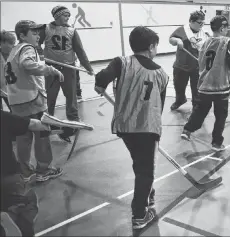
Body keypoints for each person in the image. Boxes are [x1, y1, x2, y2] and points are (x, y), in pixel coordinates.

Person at [94, 26, 169, 230]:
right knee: (145, 170)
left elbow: (101, 78)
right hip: (147, 127)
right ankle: (139, 214)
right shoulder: (162, 74)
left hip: (124, 126)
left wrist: (99, 86)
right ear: (152, 47)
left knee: (140, 161)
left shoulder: (122, 62)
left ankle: (148, 193)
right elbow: (159, 107)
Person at [5, 20, 64, 182]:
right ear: (22, 35)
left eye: (38, 32)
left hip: (16, 101)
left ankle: (25, 170)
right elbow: (27, 64)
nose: (38, 35)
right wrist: (50, 69)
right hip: (33, 99)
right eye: (34, 33)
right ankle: (43, 169)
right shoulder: (28, 48)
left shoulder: (13, 51)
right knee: (43, 133)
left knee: (23, 136)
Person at [180, 15, 230, 151]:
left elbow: (200, 62)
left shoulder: (205, 42)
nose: (228, 31)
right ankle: (216, 143)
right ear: (223, 28)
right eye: (226, 28)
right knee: (221, 116)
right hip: (220, 86)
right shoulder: (227, 42)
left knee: (200, 111)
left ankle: (187, 130)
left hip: (204, 85)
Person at [37, 5, 94, 142]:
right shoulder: (46, 29)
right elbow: (36, 44)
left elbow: (79, 50)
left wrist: (88, 67)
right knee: (50, 96)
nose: (67, 18)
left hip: (68, 68)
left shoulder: (72, 31)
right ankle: (47, 121)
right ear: (56, 16)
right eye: (65, 15)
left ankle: (73, 122)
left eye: (68, 15)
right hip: (51, 68)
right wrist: (39, 55)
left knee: (71, 96)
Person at [1, 111, 50, 236]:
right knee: (27, 205)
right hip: (8, 176)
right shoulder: (3, 116)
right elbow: (34, 124)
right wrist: (51, 125)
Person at [168, 10, 209, 110]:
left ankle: (196, 104)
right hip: (181, 65)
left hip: (197, 66)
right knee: (179, 86)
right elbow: (171, 39)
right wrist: (178, 40)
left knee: (197, 88)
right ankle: (180, 100)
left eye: (203, 23)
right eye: (199, 23)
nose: (202, 25)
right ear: (191, 21)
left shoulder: (205, 33)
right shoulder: (182, 30)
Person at [0, 30, 16, 111]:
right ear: (2, 43)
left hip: (9, 90)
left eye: (14, 43)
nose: (13, 46)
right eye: (11, 43)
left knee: (15, 111)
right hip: (2, 88)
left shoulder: (14, 56)